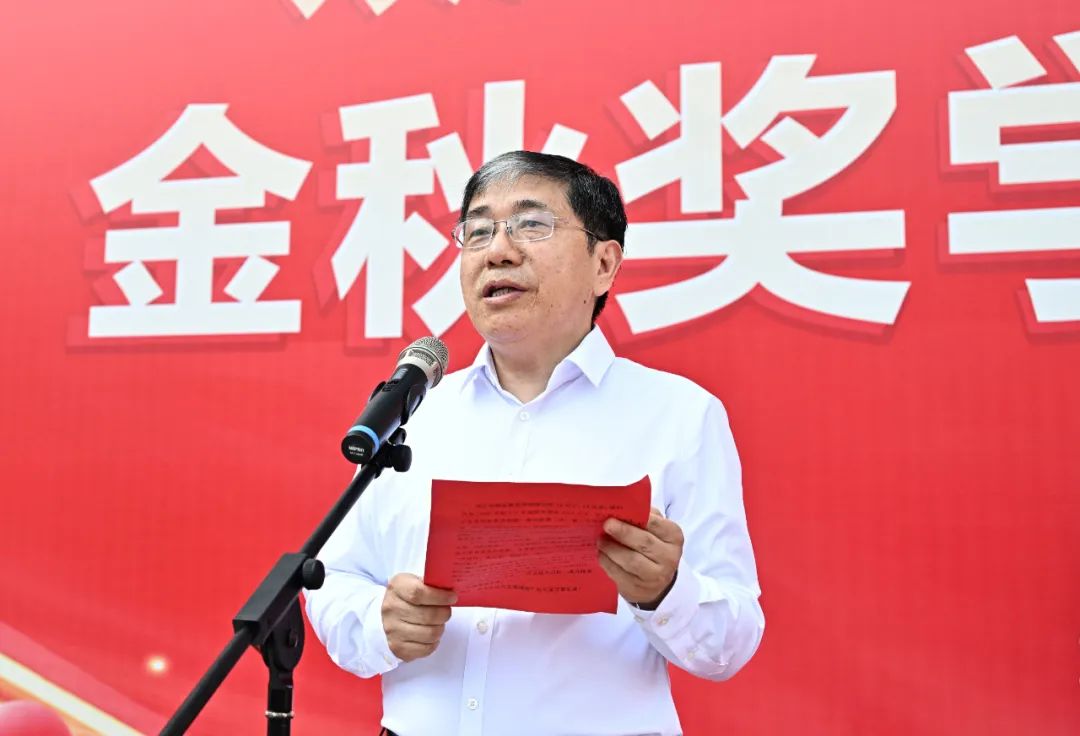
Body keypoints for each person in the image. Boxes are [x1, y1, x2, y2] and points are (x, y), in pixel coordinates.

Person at [305, 151, 764, 736]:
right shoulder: (414, 417)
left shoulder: (678, 414)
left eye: (532, 225)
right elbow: (333, 580)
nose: (498, 251)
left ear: (603, 264)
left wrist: (666, 591)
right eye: (478, 231)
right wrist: (380, 623)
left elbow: (732, 639)